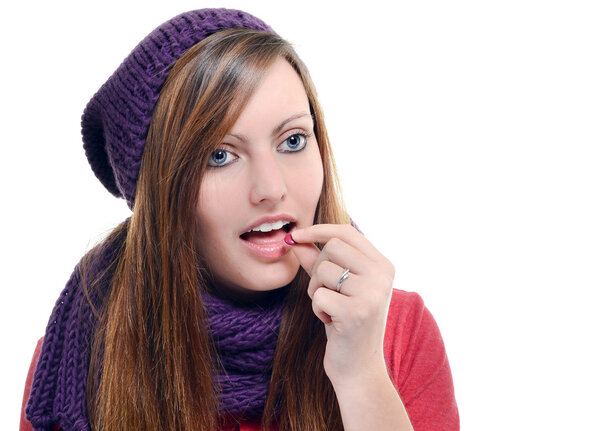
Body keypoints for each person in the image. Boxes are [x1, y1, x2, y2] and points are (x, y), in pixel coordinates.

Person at [20, 8, 459, 431]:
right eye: (220, 155)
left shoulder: (394, 330)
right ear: (158, 192)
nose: (270, 187)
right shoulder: (78, 356)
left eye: (292, 140)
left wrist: (361, 377)